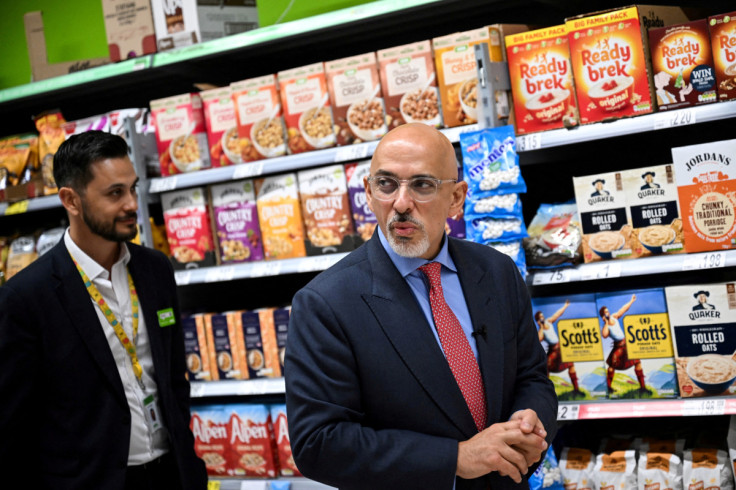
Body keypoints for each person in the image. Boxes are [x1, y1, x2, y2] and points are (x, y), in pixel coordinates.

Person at [285, 123, 557, 490]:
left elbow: (532, 376)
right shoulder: (325, 303)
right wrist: (455, 459)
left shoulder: (496, 271)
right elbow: (318, 443)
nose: (400, 203)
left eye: (422, 185)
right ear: (367, 191)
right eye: (386, 184)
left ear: (457, 198)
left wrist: (530, 420)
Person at [0, 131, 207, 490]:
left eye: (132, 188)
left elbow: (174, 380)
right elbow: (13, 427)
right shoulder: (25, 297)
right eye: (115, 193)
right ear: (71, 200)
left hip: (171, 475)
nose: (131, 203)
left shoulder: (155, 269)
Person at [599, 294, 648, 394]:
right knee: (611, 366)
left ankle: (643, 388)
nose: (608, 314)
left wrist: (631, 301)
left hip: (626, 344)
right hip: (618, 347)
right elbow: (604, 335)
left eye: (607, 311)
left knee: (637, 362)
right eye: (605, 313)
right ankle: (609, 388)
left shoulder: (614, 317)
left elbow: (623, 309)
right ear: (603, 316)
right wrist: (606, 323)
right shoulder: (605, 326)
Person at [535, 299, 583, 397]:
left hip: (560, 348)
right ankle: (546, 393)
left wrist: (565, 306)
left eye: (542, 317)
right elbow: (538, 339)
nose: (542, 319)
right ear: (537, 321)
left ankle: (576, 389)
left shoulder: (548, 321)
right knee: (546, 368)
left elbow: (557, 314)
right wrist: (540, 327)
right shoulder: (541, 331)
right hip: (552, 350)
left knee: (571, 365)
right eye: (540, 318)